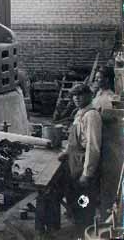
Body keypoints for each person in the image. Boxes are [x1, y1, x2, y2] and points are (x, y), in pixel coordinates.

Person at [58, 83, 102, 227]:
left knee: (84, 200)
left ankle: (85, 229)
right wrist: (66, 152)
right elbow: (76, 139)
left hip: (84, 163)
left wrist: (87, 173)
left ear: (89, 96)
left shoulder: (92, 115)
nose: (76, 98)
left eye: (80, 95)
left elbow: (93, 146)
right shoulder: (80, 113)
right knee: (75, 197)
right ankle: (79, 226)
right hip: (74, 161)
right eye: (74, 95)